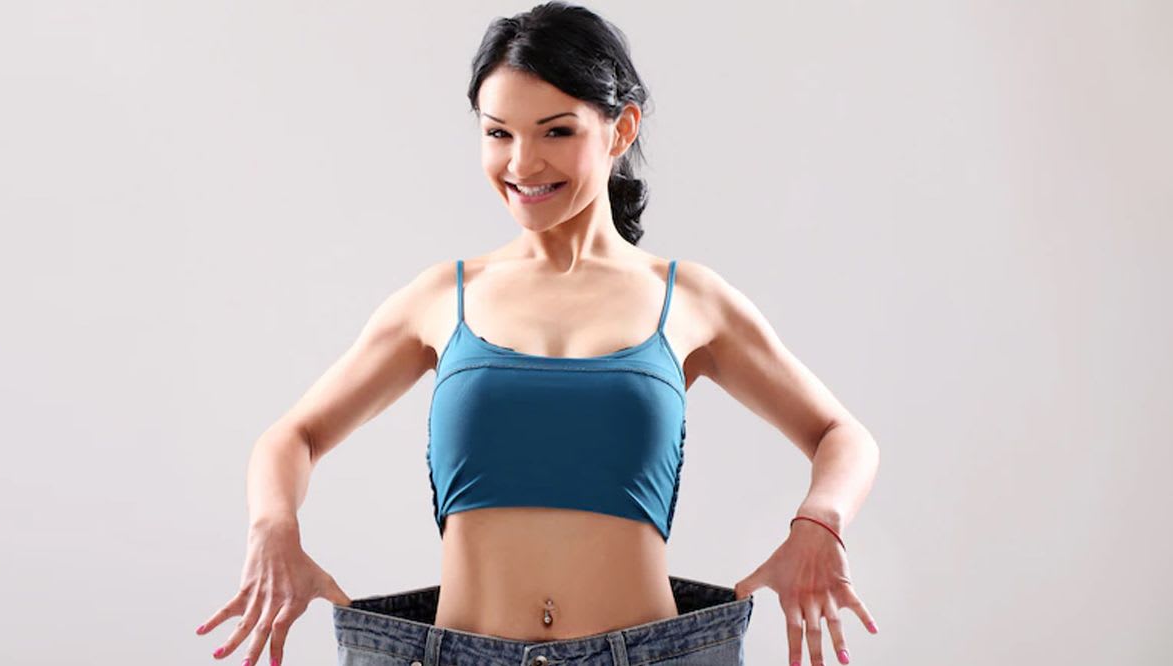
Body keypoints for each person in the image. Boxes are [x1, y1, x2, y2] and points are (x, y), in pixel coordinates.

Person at [195, 3, 880, 665]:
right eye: (499, 134)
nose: (522, 165)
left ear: (621, 128)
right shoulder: (443, 297)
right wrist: (273, 528)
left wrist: (818, 524)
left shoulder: (689, 300)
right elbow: (292, 436)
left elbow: (842, 436)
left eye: (556, 132)